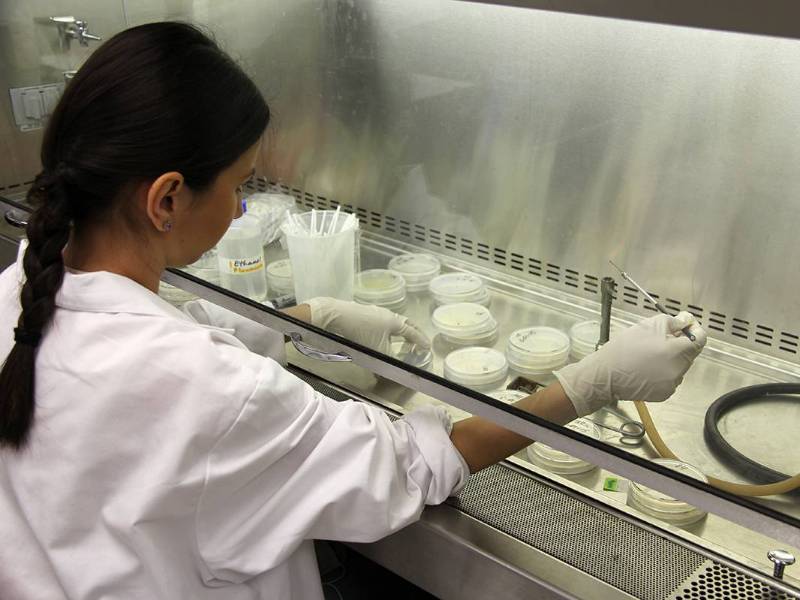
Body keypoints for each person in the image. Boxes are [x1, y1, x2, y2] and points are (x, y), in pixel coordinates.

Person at [0, 23, 706, 600]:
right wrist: (591, 384)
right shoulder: (208, 389)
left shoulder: (18, 290)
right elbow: (411, 469)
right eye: (241, 185)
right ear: (166, 198)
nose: (242, 208)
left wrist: (305, 314)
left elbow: (173, 344)